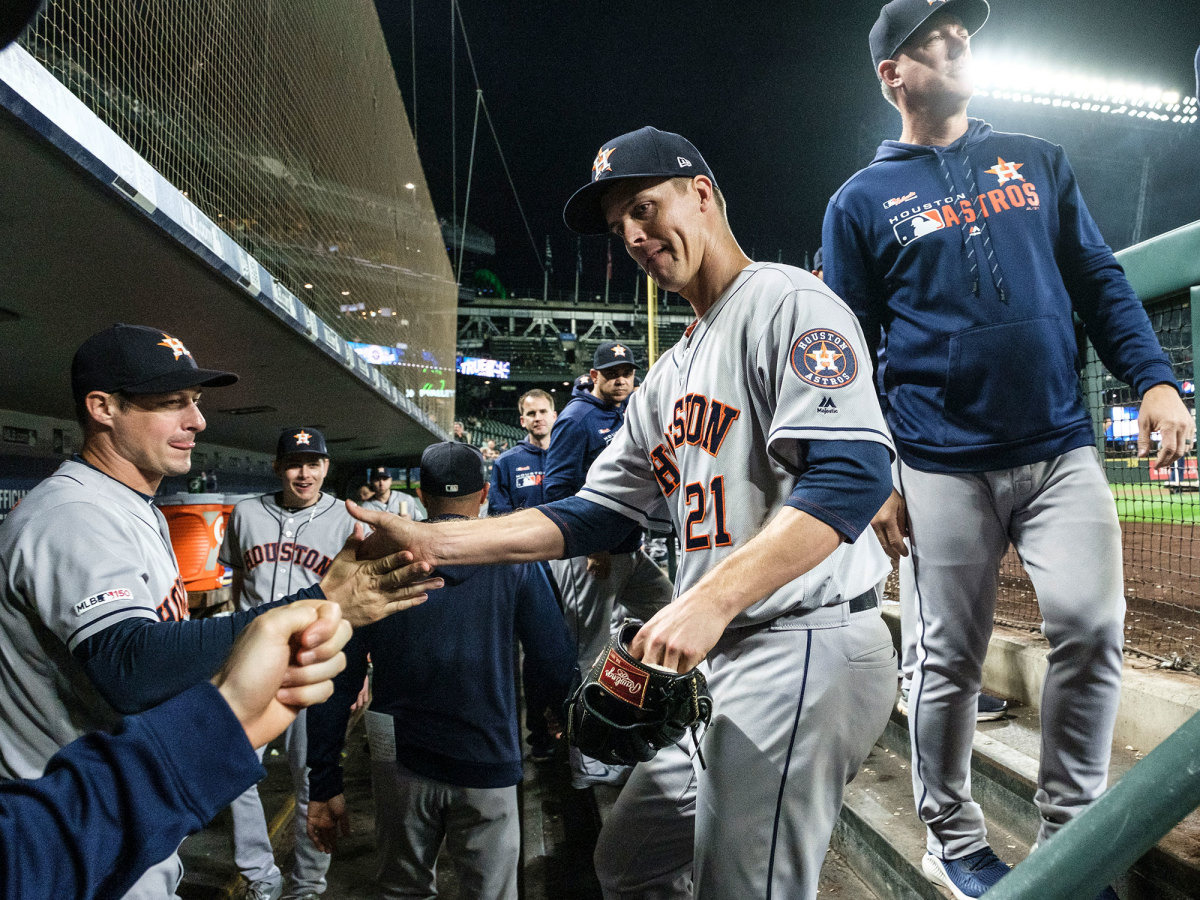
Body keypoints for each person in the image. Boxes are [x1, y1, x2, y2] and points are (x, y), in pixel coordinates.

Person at [349, 126, 898, 899]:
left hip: (804, 639)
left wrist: (707, 600)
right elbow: (594, 514)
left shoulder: (787, 302)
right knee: (629, 860)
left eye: (645, 207)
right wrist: (440, 540)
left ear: (702, 195)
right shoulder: (669, 371)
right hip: (719, 653)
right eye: (620, 227)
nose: (636, 237)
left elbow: (849, 477)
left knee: (746, 888)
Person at [820, 2, 1196, 897]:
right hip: (939, 459)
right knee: (947, 656)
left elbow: (1101, 281)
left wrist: (1155, 379)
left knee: (1093, 629)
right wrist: (875, 474)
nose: (958, 42)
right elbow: (846, 348)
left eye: (962, 33)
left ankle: (1072, 837)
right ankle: (948, 839)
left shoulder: (1034, 160)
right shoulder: (860, 201)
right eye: (934, 38)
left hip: (1061, 445)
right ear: (893, 75)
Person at [0, 323, 441, 900]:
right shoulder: (73, 514)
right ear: (102, 408)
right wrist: (318, 603)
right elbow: (129, 666)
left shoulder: (129, 505)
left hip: (108, 820)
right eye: (171, 403)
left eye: (196, 402)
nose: (197, 421)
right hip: (65, 839)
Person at [306, 442, 576, 899]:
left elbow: (339, 675)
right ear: (485, 494)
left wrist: (324, 777)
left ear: (423, 497)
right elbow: (551, 658)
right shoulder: (514, 560)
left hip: (400, 759)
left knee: (402, 890)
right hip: (487, 756)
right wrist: (555, 713)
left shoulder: (378, 557)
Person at [0, 599, 351, 900]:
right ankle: (263, 876)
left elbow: (25, 854)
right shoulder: (69, 523)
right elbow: (131, 670)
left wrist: (230, 718)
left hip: (110, 837)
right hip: (108, 844)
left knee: (300, 774)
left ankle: (305, 885)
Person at [220, 427, 358, 900]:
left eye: (314, 463)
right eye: (295, 463)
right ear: (278, 467)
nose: (305, 472)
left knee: (312, 780)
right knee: (232, 769)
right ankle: (260, 875)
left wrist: (359, 669)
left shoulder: (345, 518)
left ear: (326, 468)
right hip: (252, 663)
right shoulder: (245, 514)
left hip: (315, 662)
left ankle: (307, 884)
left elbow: (357, 598)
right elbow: (238, 580)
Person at [543, 339, 675, 788]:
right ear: (594, 375)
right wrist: (591, 542)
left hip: (627, 551)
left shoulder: (627, 412)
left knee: (669, 610)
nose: (621, 379)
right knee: (587, 652)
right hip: (590, 558)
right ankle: (587, 763)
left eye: (627, 371)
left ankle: (646, 719)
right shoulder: (576, 419)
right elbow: (557, 490)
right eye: (611, 372)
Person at [488, 388, 561, 759]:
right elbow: (499, 518)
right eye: (530, 413)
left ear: (554, 413)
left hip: (569, 565)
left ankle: (569, 724)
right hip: (529, 568)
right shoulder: (508, 462)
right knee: (536, 655)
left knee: (569, 650)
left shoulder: (568, 452)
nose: (538, 418)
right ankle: (539, 734)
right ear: (522, 420)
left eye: (543, 411)